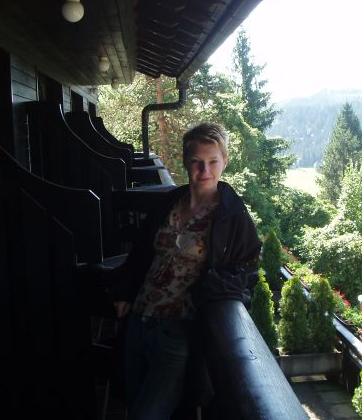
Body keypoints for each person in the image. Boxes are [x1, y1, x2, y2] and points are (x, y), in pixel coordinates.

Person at [111, 122, 261, 420]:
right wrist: (124, 290)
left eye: (213, 162)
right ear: (185, 161)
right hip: (139, 319)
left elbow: (247, 271)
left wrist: (210, 288)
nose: (204, 170)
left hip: (178, 331)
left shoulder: (233, 216)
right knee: (133, 404)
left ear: (225, 161)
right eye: (196, 161)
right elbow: (142, 252)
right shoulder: (169, 202)